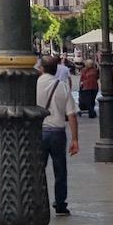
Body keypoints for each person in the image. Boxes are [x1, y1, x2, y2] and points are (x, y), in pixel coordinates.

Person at [37, 55, 80, 216]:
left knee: (38, 169)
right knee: (60, 170)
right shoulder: (61, 86)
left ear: (41, 68)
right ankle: (60, 203)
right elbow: (72, 115)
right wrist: (75, 139)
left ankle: (38, 201)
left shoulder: (34, 84)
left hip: (39, 132)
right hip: (57, 133)